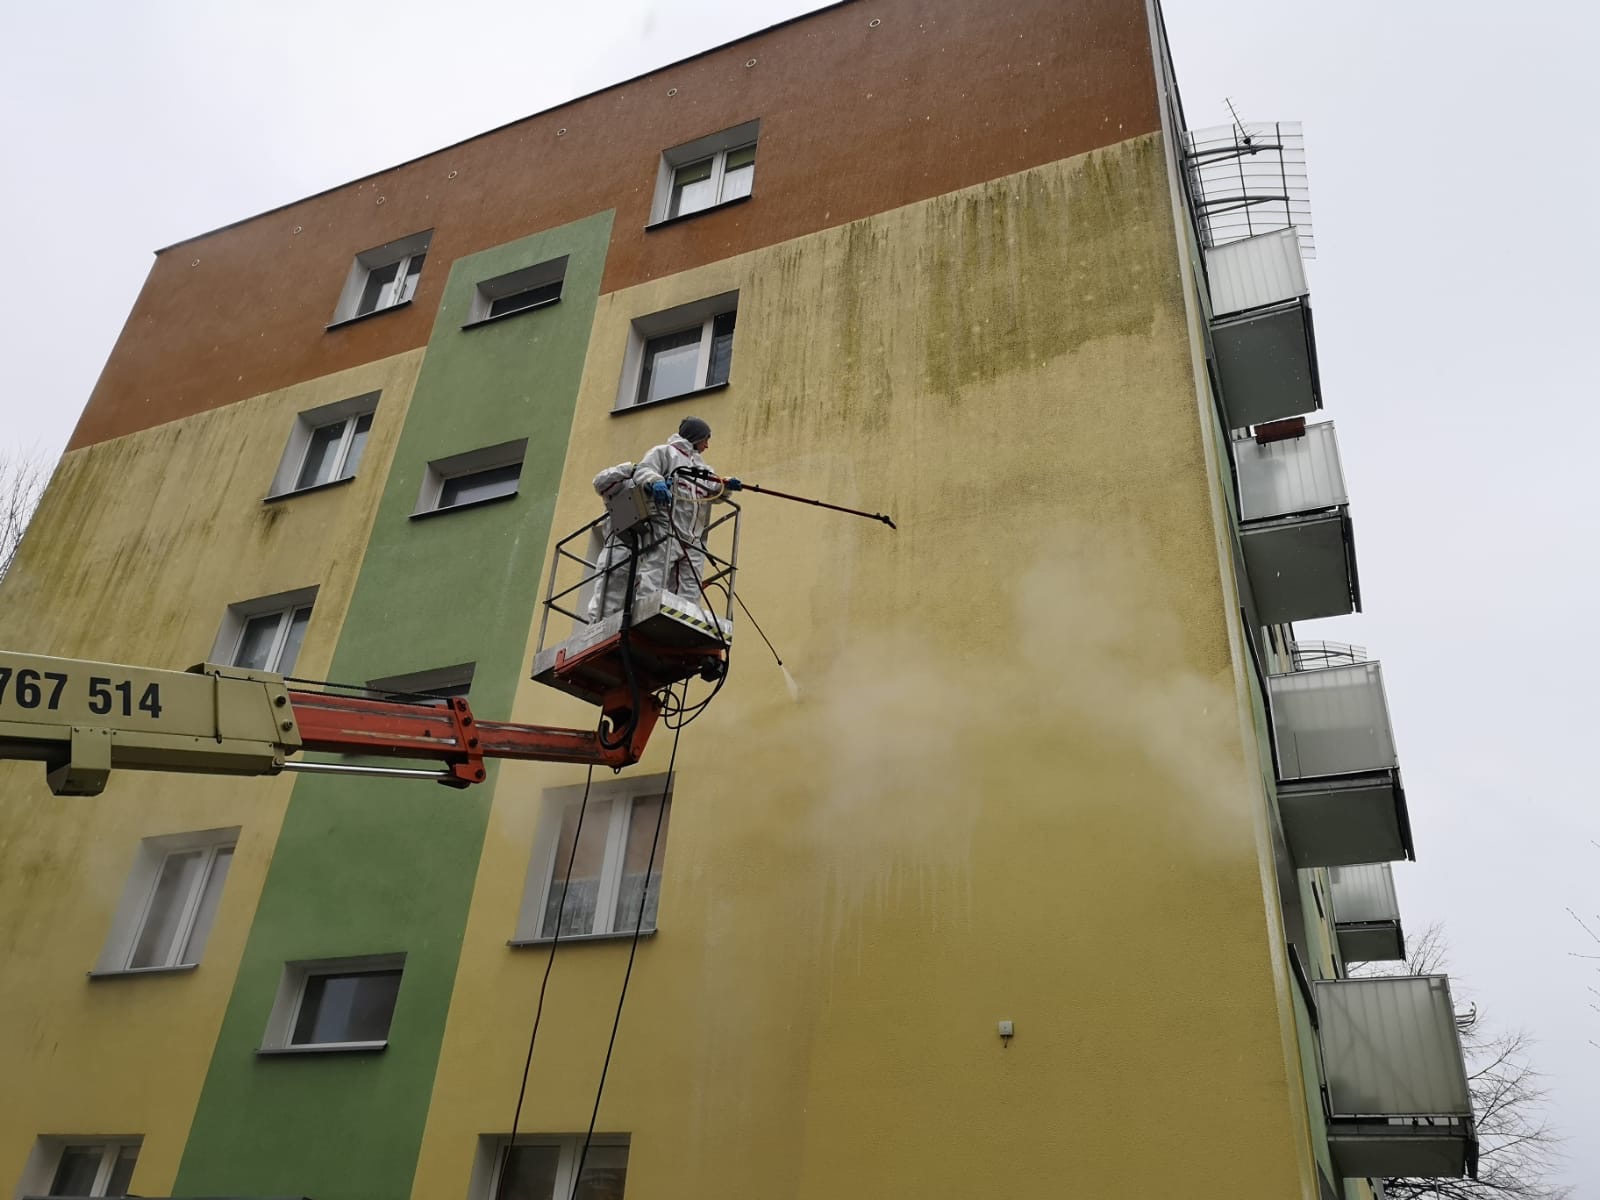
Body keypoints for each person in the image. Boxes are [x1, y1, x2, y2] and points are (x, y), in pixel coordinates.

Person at [586, 417, 740, 621]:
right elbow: (644, 470)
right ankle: (643, 612)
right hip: (667, 527)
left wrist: (726, 485)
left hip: (693, 536)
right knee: (653, 572)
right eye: (705, 439)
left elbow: (713, 490)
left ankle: (685, 616)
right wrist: (655, 482)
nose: (707, 445)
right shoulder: (664, 452)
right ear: (696, 437)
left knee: (691, 581)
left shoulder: (702, 468)